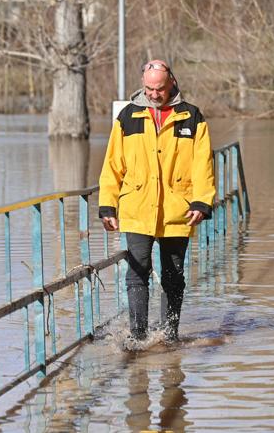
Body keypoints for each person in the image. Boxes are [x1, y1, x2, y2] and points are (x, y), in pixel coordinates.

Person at [98, 60, 215, 342]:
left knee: (173, 275)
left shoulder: (192, 117)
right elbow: (113, 165)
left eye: (159, 89)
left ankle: (168, 336)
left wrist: (201, 202)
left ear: (172, 82)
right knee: (137, 273)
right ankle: (138, 338)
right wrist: (107, 206)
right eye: (148, 88)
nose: (153, 94)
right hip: (137, 208)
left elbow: (204, 165)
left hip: (178, 211)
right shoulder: (128, 116)